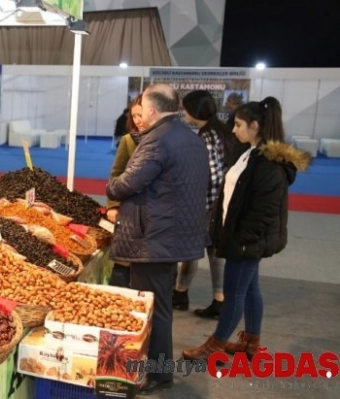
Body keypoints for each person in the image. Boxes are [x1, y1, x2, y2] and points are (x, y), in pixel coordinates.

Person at [182, 97, 310, 362]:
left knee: (235, 293)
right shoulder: (251, 153)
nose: (233, 129)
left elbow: (261, 213)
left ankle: (215, 345)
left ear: (255, 125)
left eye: (238, 124)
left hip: (245, 241)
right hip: (242, 237)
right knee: (250, 289)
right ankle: (251, 341)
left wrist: (239, 242)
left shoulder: (267, 164)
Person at [105, 83, 209, 395]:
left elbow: (123, 184)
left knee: (152, 309)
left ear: (151, 109)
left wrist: (112, 185)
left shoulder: (156, 141)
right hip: (175, 234)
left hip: (153, 237)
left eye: (143, 109)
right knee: (160, 306)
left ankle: (156, 372)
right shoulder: (190, 139)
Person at [173, 90, 228, 316]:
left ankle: (182, 294)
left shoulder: (207, 137)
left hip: (208, 205)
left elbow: (212, 177)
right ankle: (213, 298)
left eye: (185, 108)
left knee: (193, 249)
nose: (182, 112)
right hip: (219, 204)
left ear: (194, 110)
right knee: (214, 253)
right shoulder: (219, 131)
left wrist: (195, 202)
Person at [105, 95, 147, 288]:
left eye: (141, 115)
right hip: (129, 210)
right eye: (134, 116)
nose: (138, 120)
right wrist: (112, 206)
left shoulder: (162, 141)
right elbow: (116, 173)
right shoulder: (128, 140)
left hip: (152, 213)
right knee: (123, 260)